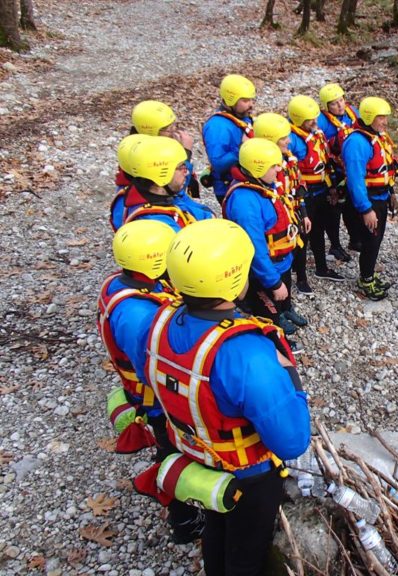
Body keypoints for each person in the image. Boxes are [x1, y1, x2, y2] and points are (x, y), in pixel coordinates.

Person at [145, 219, 311, 576]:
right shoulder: (246, 353)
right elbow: (293, 440)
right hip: (247, 476)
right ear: (234, 279)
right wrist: (288, 372)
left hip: (196, 456)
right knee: (246, 553)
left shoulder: (160, 321)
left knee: (216, 528)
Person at [97, 219, 204, 543]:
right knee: (175, 452)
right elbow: (155, 370)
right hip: (158, 403)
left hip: (150, 394)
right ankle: (184, 521)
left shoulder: (124, 284)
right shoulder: (137, 315)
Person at [222, 138, 307, 346]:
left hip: (281, 261)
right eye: (274, 166)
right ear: (257, 167)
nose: (279, 169)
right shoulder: (245, 201)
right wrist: (273, 282)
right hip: (263, 270)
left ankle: (285, 312)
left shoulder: (264, 184)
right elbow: (255, 248)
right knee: (268, 310)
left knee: (283, 296)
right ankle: (277, 342)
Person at [341, 96, 398, 301]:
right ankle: (365, 280)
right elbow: (356, 180)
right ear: (368, 117)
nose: (385, 122)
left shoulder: (378, 137)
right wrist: (366, 209)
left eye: (385, 117)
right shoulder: (357, 142)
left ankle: (368, 274)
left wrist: (391, 191)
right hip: (369, 200)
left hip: (381, 196)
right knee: (371, 240)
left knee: (376, 240)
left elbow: (386, 167)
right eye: (380, 117)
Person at [253, 112, 314, 296]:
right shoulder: (262, 168)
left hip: (293, 207)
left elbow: (299, 183)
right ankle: (273, 290)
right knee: (280, 249)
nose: (289, 141)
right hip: (278, 213)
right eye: (283, 138)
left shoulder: (288, 158)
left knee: (302, 241)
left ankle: (301, 278)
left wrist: (303, 212)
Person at [287, 95, 345, 283]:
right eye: (310, 119)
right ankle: (301, 276)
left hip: (321, 188)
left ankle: (322, 268)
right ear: (298, 119)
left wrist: (333, 187)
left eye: (315, 117)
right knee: (303, 235)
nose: (315, 121)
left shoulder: (317, 134)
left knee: (319, 231)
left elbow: (326, 162)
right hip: (305, 193)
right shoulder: (293, 140)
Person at [110, 135, 214, 231]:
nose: (186, 172)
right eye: (181, 167)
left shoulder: (168, 194)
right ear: (162, 176)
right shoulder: (157, 224)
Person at [317, 82, 361, 258]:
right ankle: (334, 244)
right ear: (327, 106)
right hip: (332, 169)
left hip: (349, 167)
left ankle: (355, 238)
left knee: (351, 205)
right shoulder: (322, 121)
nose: (340, 105)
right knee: (334, 208)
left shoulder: (352, 112)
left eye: (341, 100)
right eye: (334, 103)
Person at [129, 99, 201, 198]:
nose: (174, 133)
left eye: (174, 126)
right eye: (168, 129)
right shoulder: (145, 157)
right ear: (152, 131)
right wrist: (186, 153)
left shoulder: (157, 145)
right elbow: (175, 187)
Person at [201, 74, 256, 203]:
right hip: (229, 187)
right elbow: (218, 163)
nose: (251, 105)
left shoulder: (242, 117)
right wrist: (243, 149)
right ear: (231, 100)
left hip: (247, 180)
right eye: (245, 101)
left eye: (252, 100)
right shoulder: (218, 127)